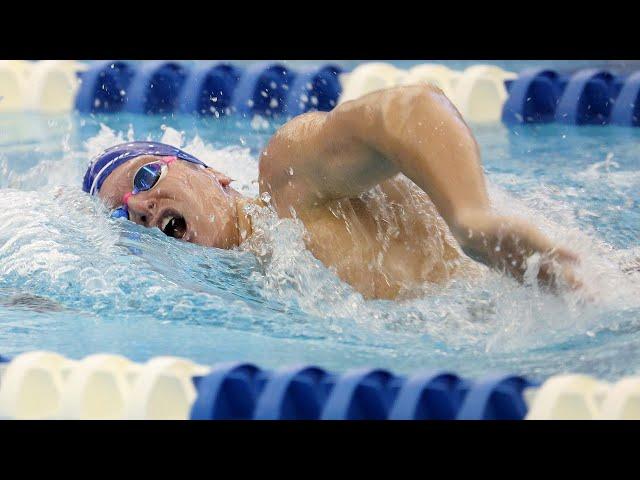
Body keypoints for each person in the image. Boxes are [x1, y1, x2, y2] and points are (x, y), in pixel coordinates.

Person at [83, 84, 580, 300]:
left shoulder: (288, 181)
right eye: (123, 218)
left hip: (574, 284)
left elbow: (410, 108)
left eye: (145, 178)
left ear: (213, 173)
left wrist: (472, 220)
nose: (139, 209)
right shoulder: (257, 281)